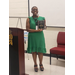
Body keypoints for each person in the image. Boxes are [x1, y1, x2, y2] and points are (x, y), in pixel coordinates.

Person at [26, 6, 46, 72]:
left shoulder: (42, 18)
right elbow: (27, 29)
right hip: (32, 36)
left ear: (38, 11)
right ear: (31, 11)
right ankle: (35, 64)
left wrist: (43, 26)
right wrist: (36, 31)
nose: (35, 10)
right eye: (33, 9)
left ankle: (41, 64)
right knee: (33, 51)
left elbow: (44, 27)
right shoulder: (28, 19)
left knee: (40, 51)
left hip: (40, 36)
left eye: (36, 9)